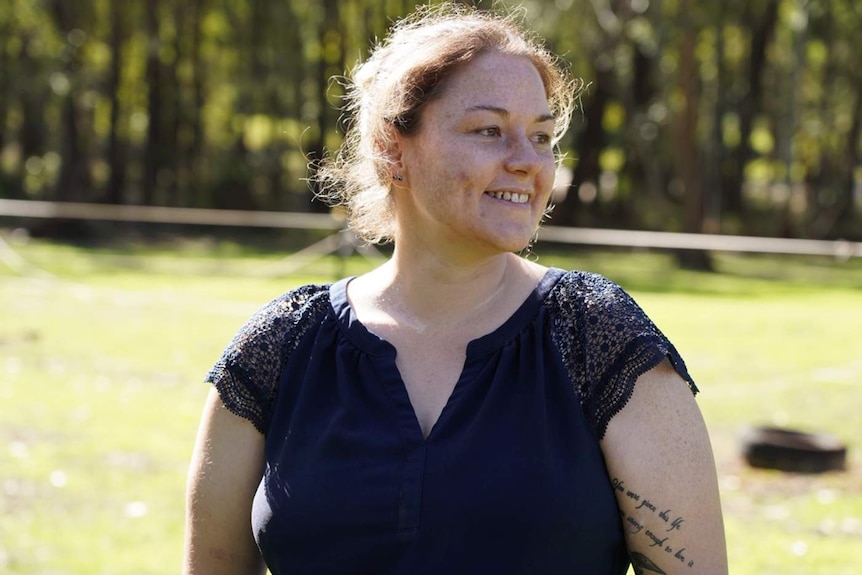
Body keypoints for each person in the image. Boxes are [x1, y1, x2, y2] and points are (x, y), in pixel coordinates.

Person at [183, 4, 728, 575]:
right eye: (489, 130)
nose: (528, 162)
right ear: (394, 149)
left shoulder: (598, 338)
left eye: (541, 136)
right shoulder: (281, 347)